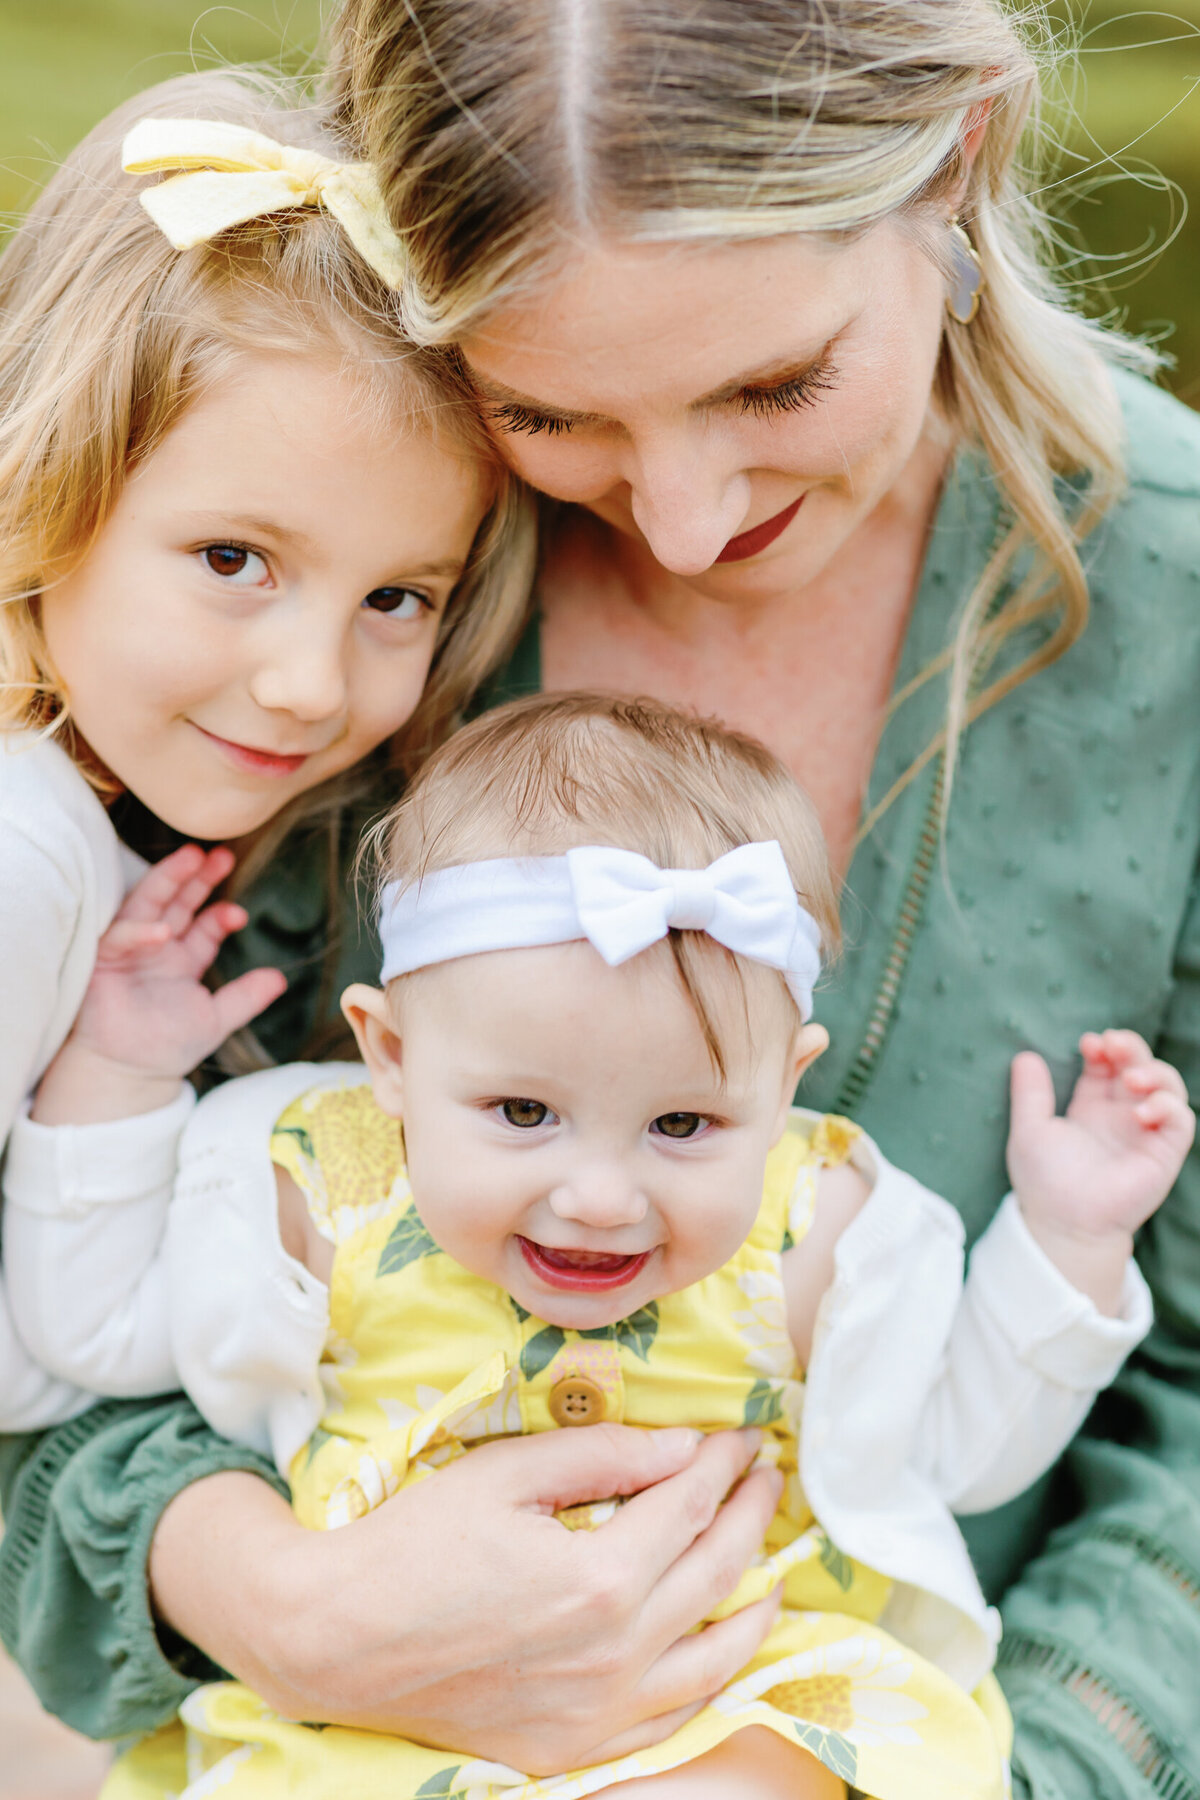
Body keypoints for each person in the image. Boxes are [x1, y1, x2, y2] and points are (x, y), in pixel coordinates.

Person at [3, 3, 1200, 1795]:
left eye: (775, 384)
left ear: (956, 156)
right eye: (549, 413)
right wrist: (279, 1603)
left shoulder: (1172, 607)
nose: (691, 520)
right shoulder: (353, 564)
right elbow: (70, 1305)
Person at [10, 692, 1190, 1800]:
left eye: (683, 1125)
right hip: (379, 1712)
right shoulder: (310, 1185)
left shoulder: (820, 1230)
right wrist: (120, 1075)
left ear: (785, 1089)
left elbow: (951, 1453)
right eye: (523, 1114)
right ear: (392, 1055)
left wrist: (1070, 1241)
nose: (598, 1198)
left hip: (725, 1690)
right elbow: (93, 1335)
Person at [0, 65, 532, 1427]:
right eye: (233, 559)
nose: (307, 686)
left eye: (396, 599)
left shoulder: (96, 803)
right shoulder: (25, 849)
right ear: (52, 478)